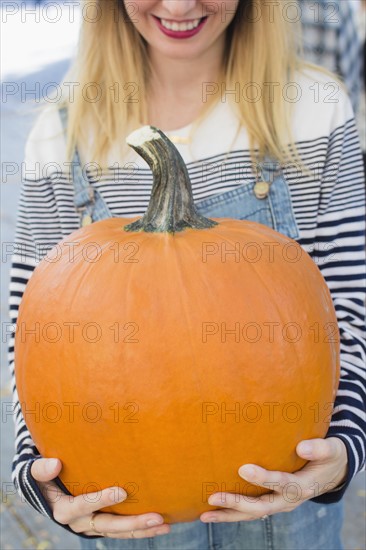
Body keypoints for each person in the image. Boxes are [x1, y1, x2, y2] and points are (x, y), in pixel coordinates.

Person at [8, 1, 365, 549]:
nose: (178, 5)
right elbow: (28, 337)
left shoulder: (313, 113)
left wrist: (342, 450)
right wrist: (41, 482)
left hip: (288, 518)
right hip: (126, 523)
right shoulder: (60, 139)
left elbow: (350, 308)